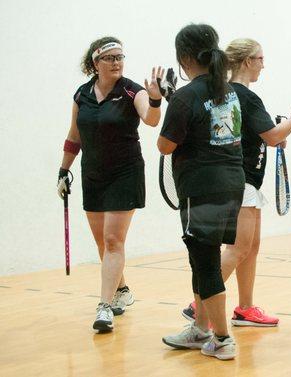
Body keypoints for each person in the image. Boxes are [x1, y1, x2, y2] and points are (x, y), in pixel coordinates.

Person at [180, 38, 291, 326]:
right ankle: (199, 305)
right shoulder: (244, 96)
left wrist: (274, 134)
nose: (264, 64)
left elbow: (263, 136)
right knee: (238, 248)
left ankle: (245, 308)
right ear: (248, 61)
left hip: (244, 181)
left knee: (250, 248)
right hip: (242, 182)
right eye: (261, 58)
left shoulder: (230, 95)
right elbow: (274, 136)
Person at [57, 37, 163, 333]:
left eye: (120, 57)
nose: (117, 62)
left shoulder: (132, 90)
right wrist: (63, 171)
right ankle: (122, 291)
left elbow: (151, 119)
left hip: (125, 173)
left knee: (114, 240)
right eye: (110, 58)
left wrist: (155, 98)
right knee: (104, 244)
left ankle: (104, 306)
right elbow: (74, 136)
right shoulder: (81, 95)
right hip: (92, 175)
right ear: (96, 63)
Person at [158, 24, 246, 360]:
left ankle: (221, 338)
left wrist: (169, 103)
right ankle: (199, 329)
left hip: (202, 187)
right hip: (231, 184)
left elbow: (165, 144)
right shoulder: (229, 91)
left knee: (205, 262)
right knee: (202, 259)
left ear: (183, 58)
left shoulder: (185, 96)